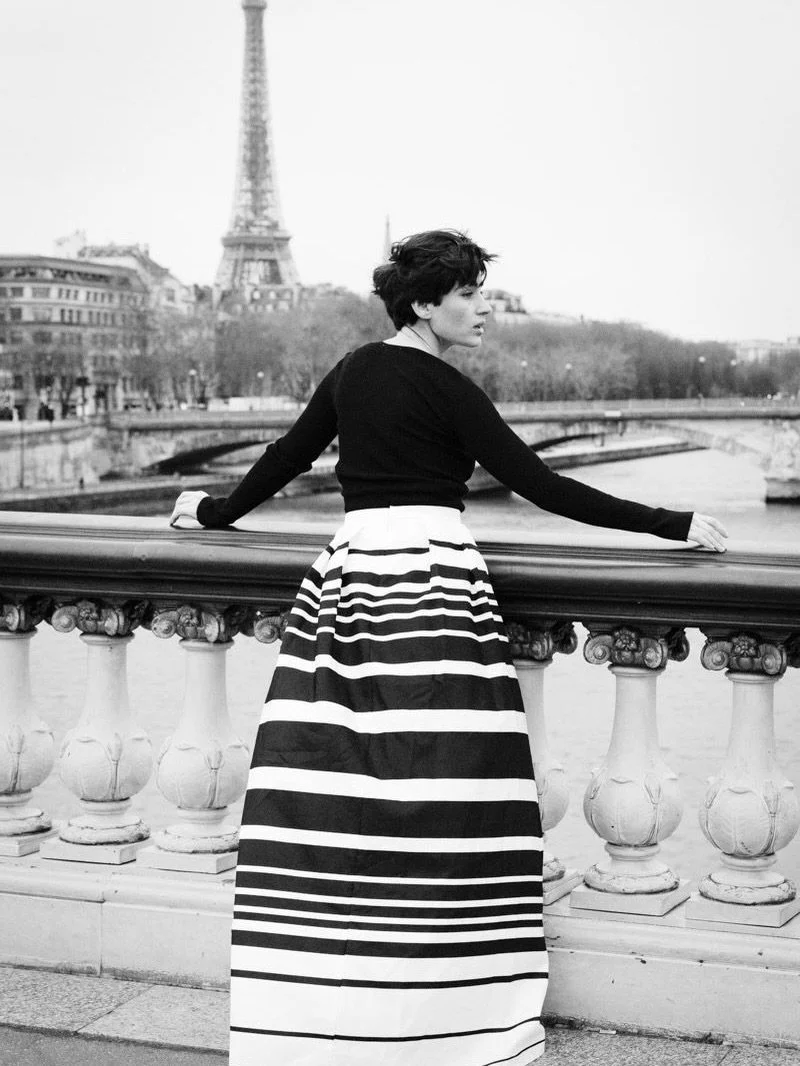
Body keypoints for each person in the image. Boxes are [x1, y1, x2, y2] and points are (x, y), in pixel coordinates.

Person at [169, 229, 728, 1066]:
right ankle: (446, 1012)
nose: (484, 309)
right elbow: (542, 488)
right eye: (470, 294)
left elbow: (285, 460)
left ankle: (320, 1010)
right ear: (426, 304)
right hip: (433, 585)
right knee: (452, 790)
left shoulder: (353, 370)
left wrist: (210, 514)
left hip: (348, 581)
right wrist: (672, 523)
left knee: (337, 797)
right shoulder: (447, 388)